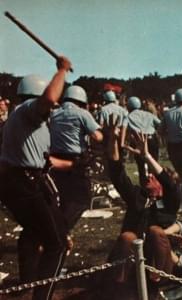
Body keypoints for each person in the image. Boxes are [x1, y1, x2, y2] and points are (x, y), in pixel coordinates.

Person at [0, 56, 72, 300]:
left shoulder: (20, 117)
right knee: (57, 245)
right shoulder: (29, 110)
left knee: (44, 235)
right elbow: (50, 98)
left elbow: (40, 159)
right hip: (26, 184)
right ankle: (41, 297)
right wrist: (62, 70)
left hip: (28, 181)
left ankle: (29, 285)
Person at [97, 115, 182, 300]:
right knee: (128, 236)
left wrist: (147, 156)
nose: (149, 177)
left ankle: (155, 286)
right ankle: (119, 287)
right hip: (129, 262)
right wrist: (112, 140)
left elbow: (171, 185)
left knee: (156, 231)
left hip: (159, 265)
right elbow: (117, 173)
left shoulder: (170, 203)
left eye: (154, 177)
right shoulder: (137, 196)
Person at [49, 85, 103, 233]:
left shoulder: (54, 114)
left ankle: (58, 229)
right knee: (82, 199)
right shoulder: (82, 113)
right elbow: (97, 137)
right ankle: (59, 231)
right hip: (76, 161)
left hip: (56, 159)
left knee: (64, 197)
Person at [122, 96, 161, 186]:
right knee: (154, 164)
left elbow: (124, 132)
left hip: (138, 141)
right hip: (152, 139)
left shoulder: (128, 117)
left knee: (141, 167)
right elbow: (161, 125)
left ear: (128, 106)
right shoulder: (148, 114)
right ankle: (156, 187)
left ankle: (145, 189)